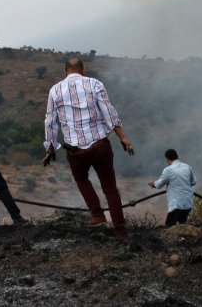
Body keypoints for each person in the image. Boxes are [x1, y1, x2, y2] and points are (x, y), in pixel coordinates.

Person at [41, 58, 135, 240]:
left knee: (81, 179)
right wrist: (123, 137)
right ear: (82, 70)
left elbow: (50, 122)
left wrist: (50, 149)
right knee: (110, 188)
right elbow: (108, 112)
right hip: (100, 145)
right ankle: (121, 231)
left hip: (76, 152)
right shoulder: (94, 84)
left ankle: (97, 214)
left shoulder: (55, 90)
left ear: (65, 71)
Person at [148, 149, 196, 226]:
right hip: (188, 204)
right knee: (182, 226)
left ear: (167, 159)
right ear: (177, 156)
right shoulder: (187, 167)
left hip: (176, 205)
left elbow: (158, 185)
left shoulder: (168, 170)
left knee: (169, 227)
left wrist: (153, 184)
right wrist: (183, 184)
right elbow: (193, 182)